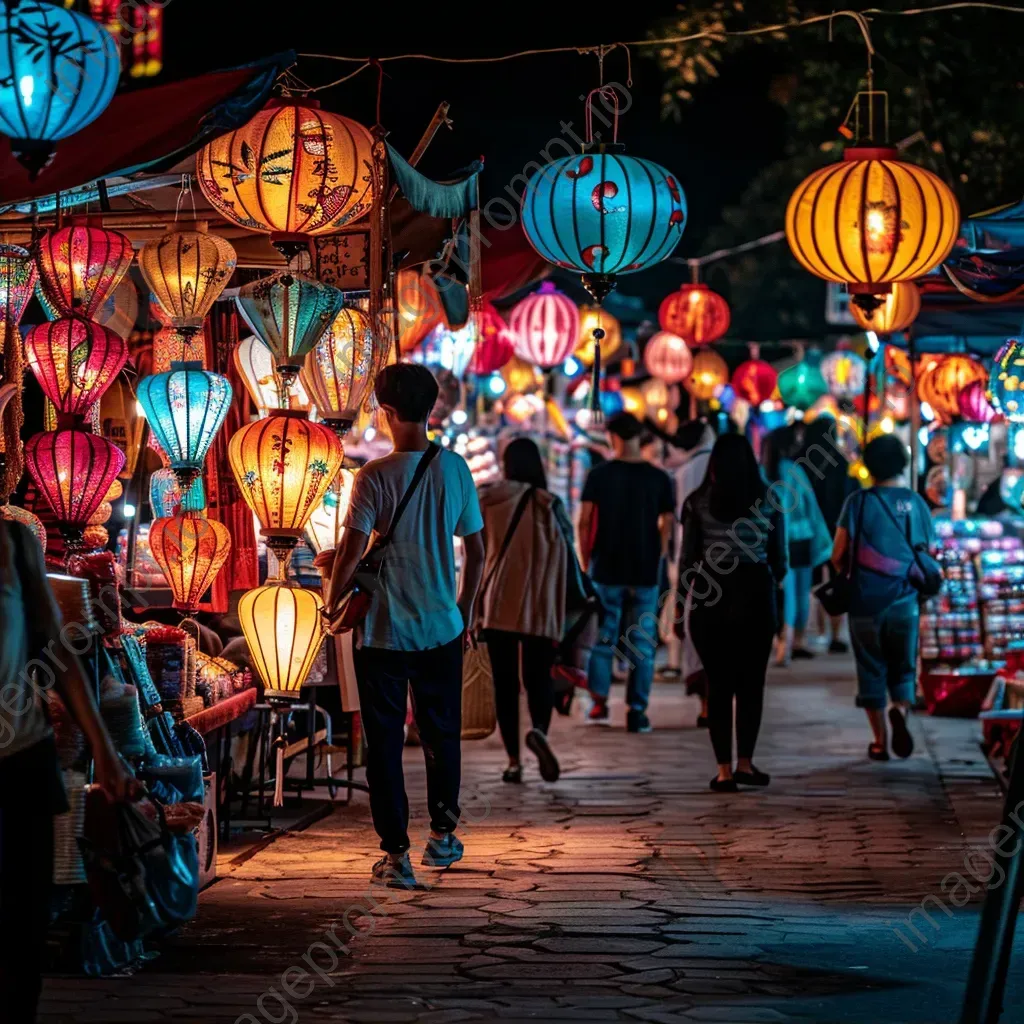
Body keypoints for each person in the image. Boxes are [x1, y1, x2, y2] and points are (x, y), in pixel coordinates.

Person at [323, 363, 486, 888]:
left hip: (384, 634)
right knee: (443, 737)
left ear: (387, 412)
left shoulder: (373, 476)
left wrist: (330, 603)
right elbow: (477, 551)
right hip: (442, 627)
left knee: (385, 745)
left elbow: (349, 553)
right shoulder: (455, 470)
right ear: (431, 408)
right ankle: (443, 835)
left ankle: (396, 856)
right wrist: (463, 607)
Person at [0, 517, 133, 1022]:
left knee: (20, 930)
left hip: (19, 761)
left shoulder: (15, 544)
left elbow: (58, 654)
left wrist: (105, 749)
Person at [682, 433, 787, 792]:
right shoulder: (769, 499)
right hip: (755, 594)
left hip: (710, 597)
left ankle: (724, 771)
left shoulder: (697, 502)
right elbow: (780, 559)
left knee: (719, 685)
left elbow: (687, 561)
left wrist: (685, 602)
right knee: (751, 684)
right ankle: (746, 763)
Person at [478, 438, 583, 784]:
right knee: (538, 678)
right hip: (540, 603)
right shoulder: (548, 504)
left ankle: (513, 762)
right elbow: (569, 552)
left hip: (497, 603)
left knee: (505, 685)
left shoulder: (488, 499)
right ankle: (538, 731)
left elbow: (474, 549)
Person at [831, 434, 934, 761]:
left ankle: (879, 742)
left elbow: (837, 554)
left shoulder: (857, 503)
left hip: (864, 603)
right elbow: (928, 552)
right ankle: (901, 713)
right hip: (905, 603)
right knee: (903, 668)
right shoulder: (916, 503)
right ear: (902, 464)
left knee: (870, 667)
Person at [578, 413, 675, 733]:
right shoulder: (659, 478)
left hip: (606, 567)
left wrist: (584, 560)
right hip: (646, 570)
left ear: (613, 437)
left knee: (603, 638)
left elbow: (585, 520)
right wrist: (658, 554)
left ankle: (599, 703)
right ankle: (637, 711)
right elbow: (668, 524)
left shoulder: (600, 475)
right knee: (643, 644)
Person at [762, 425, 832, 664]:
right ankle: (797, 640)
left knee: (782, 593)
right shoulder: (795, 471)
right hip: (802, 539)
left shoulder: (763, 473)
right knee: (801, 591)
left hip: (777, 540)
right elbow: (810, 505)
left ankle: (784, 643)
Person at [799, 415, 859, 652]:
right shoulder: (840, 462)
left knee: (809, 583)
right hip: (836, 530)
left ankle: (809, 633)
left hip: (808, 532)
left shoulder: (803, 463)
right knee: (837, 580)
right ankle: (835, 635)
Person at [668, 420, 715, 723]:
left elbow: (677, 523)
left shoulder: (683, 474)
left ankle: (705, 705)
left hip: (692, 562)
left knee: (696, 635)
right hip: (733, 566)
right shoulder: (747, 480)